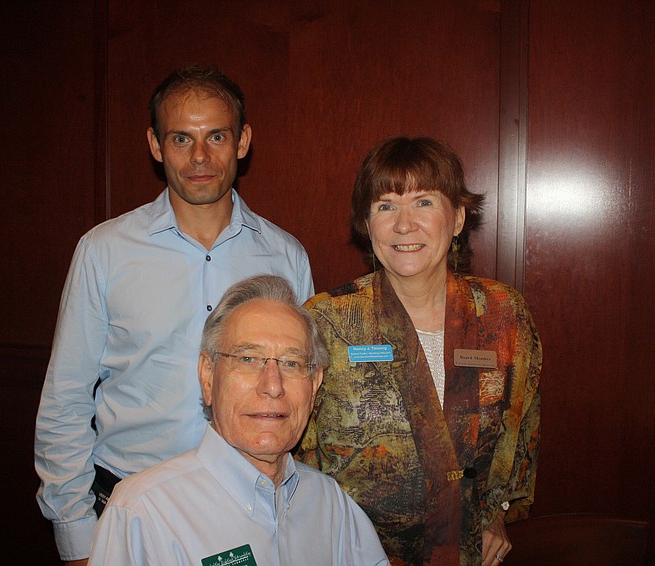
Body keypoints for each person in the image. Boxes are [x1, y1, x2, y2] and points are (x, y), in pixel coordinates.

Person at [34, 66, 314, 565]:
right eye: (181, 137)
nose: (200, 156)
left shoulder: (285, 257)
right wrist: (76, 534)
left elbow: (300, 387)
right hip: (127, 509)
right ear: (156, 144)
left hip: (251, 511)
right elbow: (65, 400)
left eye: (217, 136)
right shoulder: (104, 251)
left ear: (243, 141)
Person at [295, 136, 542, 566]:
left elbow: (519, 432)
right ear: (366, 224)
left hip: (468, 553)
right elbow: (295, 450)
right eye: (385, 206)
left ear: (459, 217)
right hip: (351, 552)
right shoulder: (325, 321)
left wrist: (497, 512)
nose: (404, 225)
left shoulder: (503, 315)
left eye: (424, 202)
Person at [88, 275, 389, 565]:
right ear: (208, 375)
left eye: (292, 363)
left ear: (314, 385)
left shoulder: (331, 506)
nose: (272, 385)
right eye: (248, 359)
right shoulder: (142, 513)